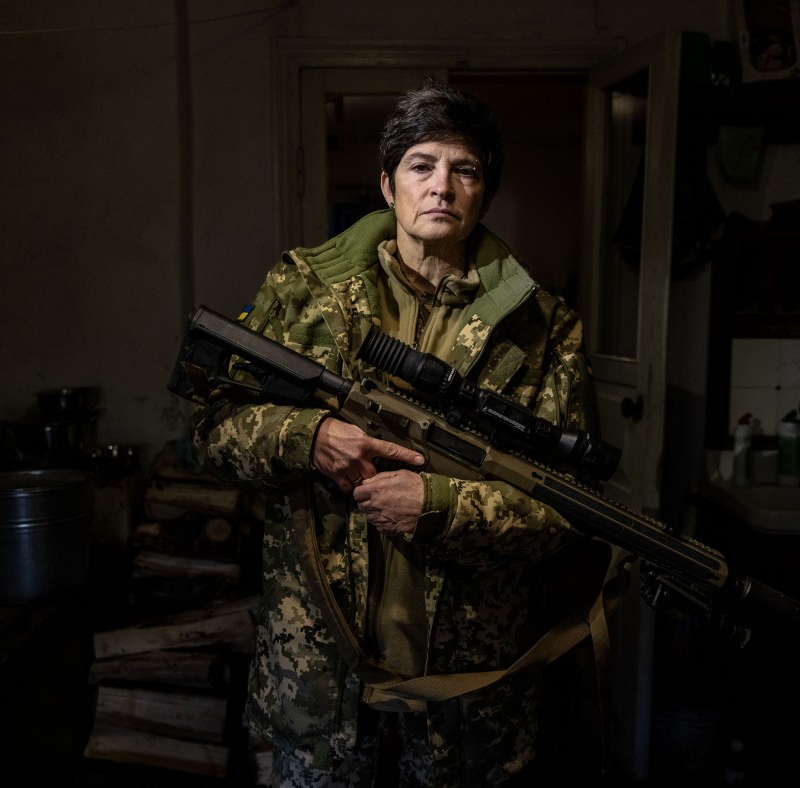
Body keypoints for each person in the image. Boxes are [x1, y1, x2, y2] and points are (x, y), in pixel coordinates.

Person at [191, 79, 606, 787]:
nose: (441, 185)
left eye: (464, 169)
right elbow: (208, 430)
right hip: (320, 665)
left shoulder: (542, 329)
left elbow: (569, 510)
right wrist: (307, 436)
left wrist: (441, 506)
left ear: (485, 191)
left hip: (468, 682)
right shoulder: (305, 293)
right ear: (387, 185)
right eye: (421, 165)